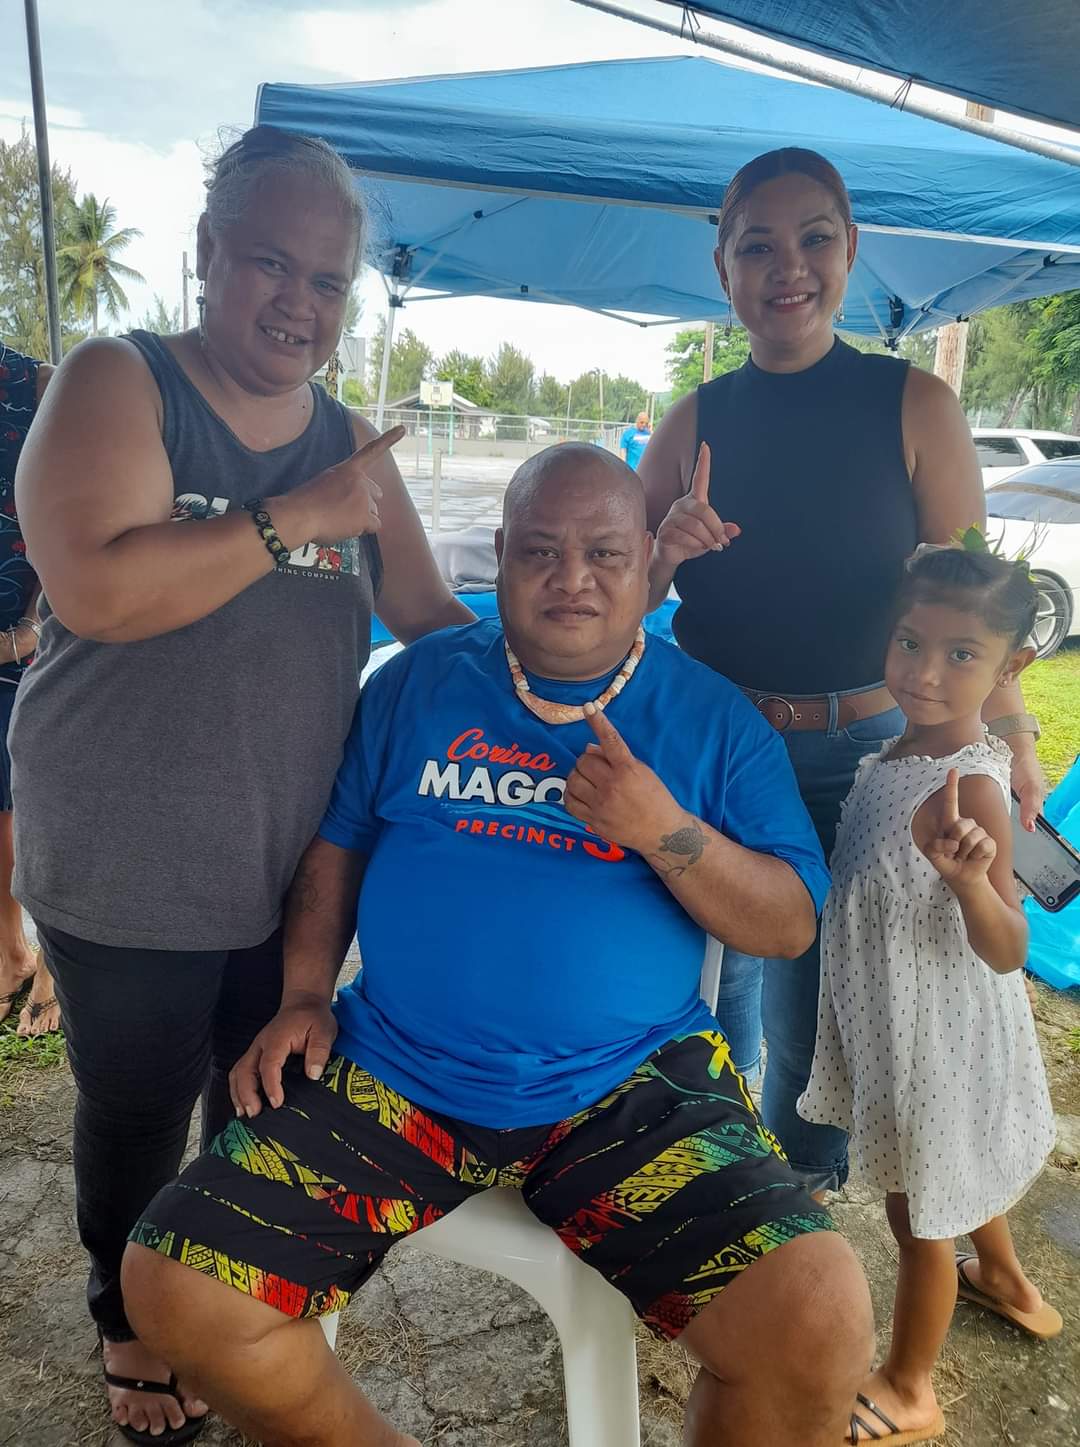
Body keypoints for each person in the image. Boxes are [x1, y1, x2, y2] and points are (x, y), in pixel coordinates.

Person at [121, 444, 873, 1447]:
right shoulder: (415, 686)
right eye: (540, 551)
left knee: (817, 1318)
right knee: (174, 1284)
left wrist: (663, 831)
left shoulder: (713, 718)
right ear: (502, 557)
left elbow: (788, 922)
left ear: (648, 560)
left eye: (605, 551)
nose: (573, 578)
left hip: (628, 1086)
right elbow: (336, 850)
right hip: (399, 1072)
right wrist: (305, 993)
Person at [10, 125, 471, 1446]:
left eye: (327, 281)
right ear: (207, 253)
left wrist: (604, 626)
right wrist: (290, 521)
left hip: (285, 861)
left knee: (259, 1092)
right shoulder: (124, 379)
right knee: (138, 1102)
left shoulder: (351, 449)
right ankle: (129, 1317)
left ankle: (217, 1291)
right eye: (270, 261)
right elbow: (96, 583)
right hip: (124, 852)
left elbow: (431, 616)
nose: (299, 302)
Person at [639, 146, 1046, 1195]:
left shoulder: (914, 405)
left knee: (827, 996)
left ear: (851, 249)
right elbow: (619, 602)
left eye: (815, 238)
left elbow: (976, 604)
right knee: (704, 978)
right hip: (717, 742)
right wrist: (660, 555)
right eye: (757, 245)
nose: (790, 267)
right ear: (722, 266)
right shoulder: (692, 420)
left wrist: (1019, 742)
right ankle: (701, 1180)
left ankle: (795, 1199)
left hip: (869, 750)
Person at [799, 543, 1060, 1445]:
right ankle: (1008, 1279)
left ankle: (912, 1384)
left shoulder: (975, 788)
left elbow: (1010, 948)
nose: (924, 671)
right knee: (956, 1170)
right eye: (911, 642)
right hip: (903, 1024)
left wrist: (970, 885)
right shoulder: (896, 753)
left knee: (918, 1217)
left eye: (960, 655)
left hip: (938, 1041)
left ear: (1011, 666)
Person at [0, 344, 59, 1037]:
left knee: (36, 792)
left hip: (32, 630)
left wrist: (31, 623)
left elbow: (68, 510)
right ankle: (10, 950)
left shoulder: (37, 383)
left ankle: (52, 963)